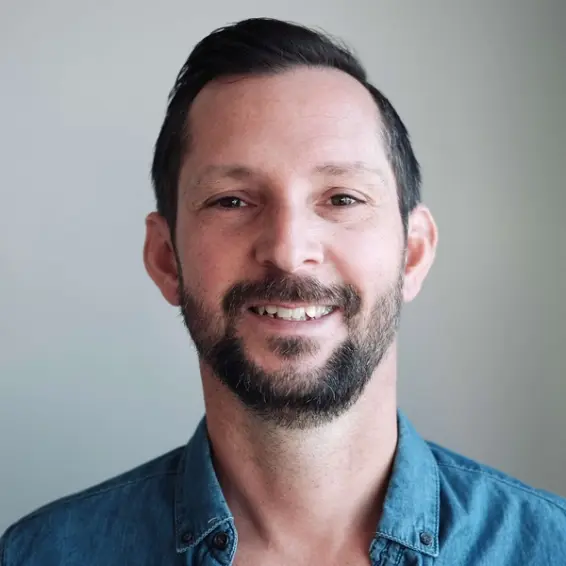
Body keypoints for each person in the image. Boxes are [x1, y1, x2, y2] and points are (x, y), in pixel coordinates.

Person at [2, 17, 565, 566]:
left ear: (412, 253)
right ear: (166, 258)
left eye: (342, 198)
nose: (289, 250)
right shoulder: (41, 555)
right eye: (232, 201)